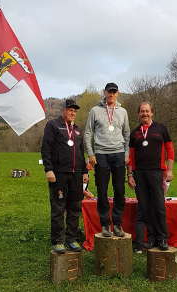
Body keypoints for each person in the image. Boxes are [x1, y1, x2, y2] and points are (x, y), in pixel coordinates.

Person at [41, 99, 88, 253]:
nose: (72, 112)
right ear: (64, 110)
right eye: (70, 110)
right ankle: (58, 240)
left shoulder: (78, 130)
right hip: (59, 174)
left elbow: (81, 152)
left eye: (75, 110)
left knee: (75, 208)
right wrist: (48, 169)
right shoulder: (53, 125)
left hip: (76, 175)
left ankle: (72, 239)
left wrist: (85, 172)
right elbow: (46, 148)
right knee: (58, 208)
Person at [84, 82, 130, 237]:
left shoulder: (123, 112)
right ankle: (105, 225)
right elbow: (88, 133)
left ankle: (117, 224)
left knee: (119, 190)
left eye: (114, 92)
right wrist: (90, 153)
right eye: (109, 91)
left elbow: (127, 134)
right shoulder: (95, 111)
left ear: (117, 93)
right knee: (102, 190)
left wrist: (126, 153)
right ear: (104, 92)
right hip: (101, 154)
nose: (111, 94)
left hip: (118, 154)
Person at [127, 101, 174, 251]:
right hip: (139, 174)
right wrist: (130, 175)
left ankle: (162, 239)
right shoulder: (134, 133)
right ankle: (142, 242)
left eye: (147, 111)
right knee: (143, 207)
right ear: (138, 114)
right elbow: (131, 157)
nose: (144, 114)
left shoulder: (161, 129)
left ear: (152, 112)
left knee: (159, 206)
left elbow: (170, 151)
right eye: (142, 111)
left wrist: (170, 171)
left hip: (157, 172)